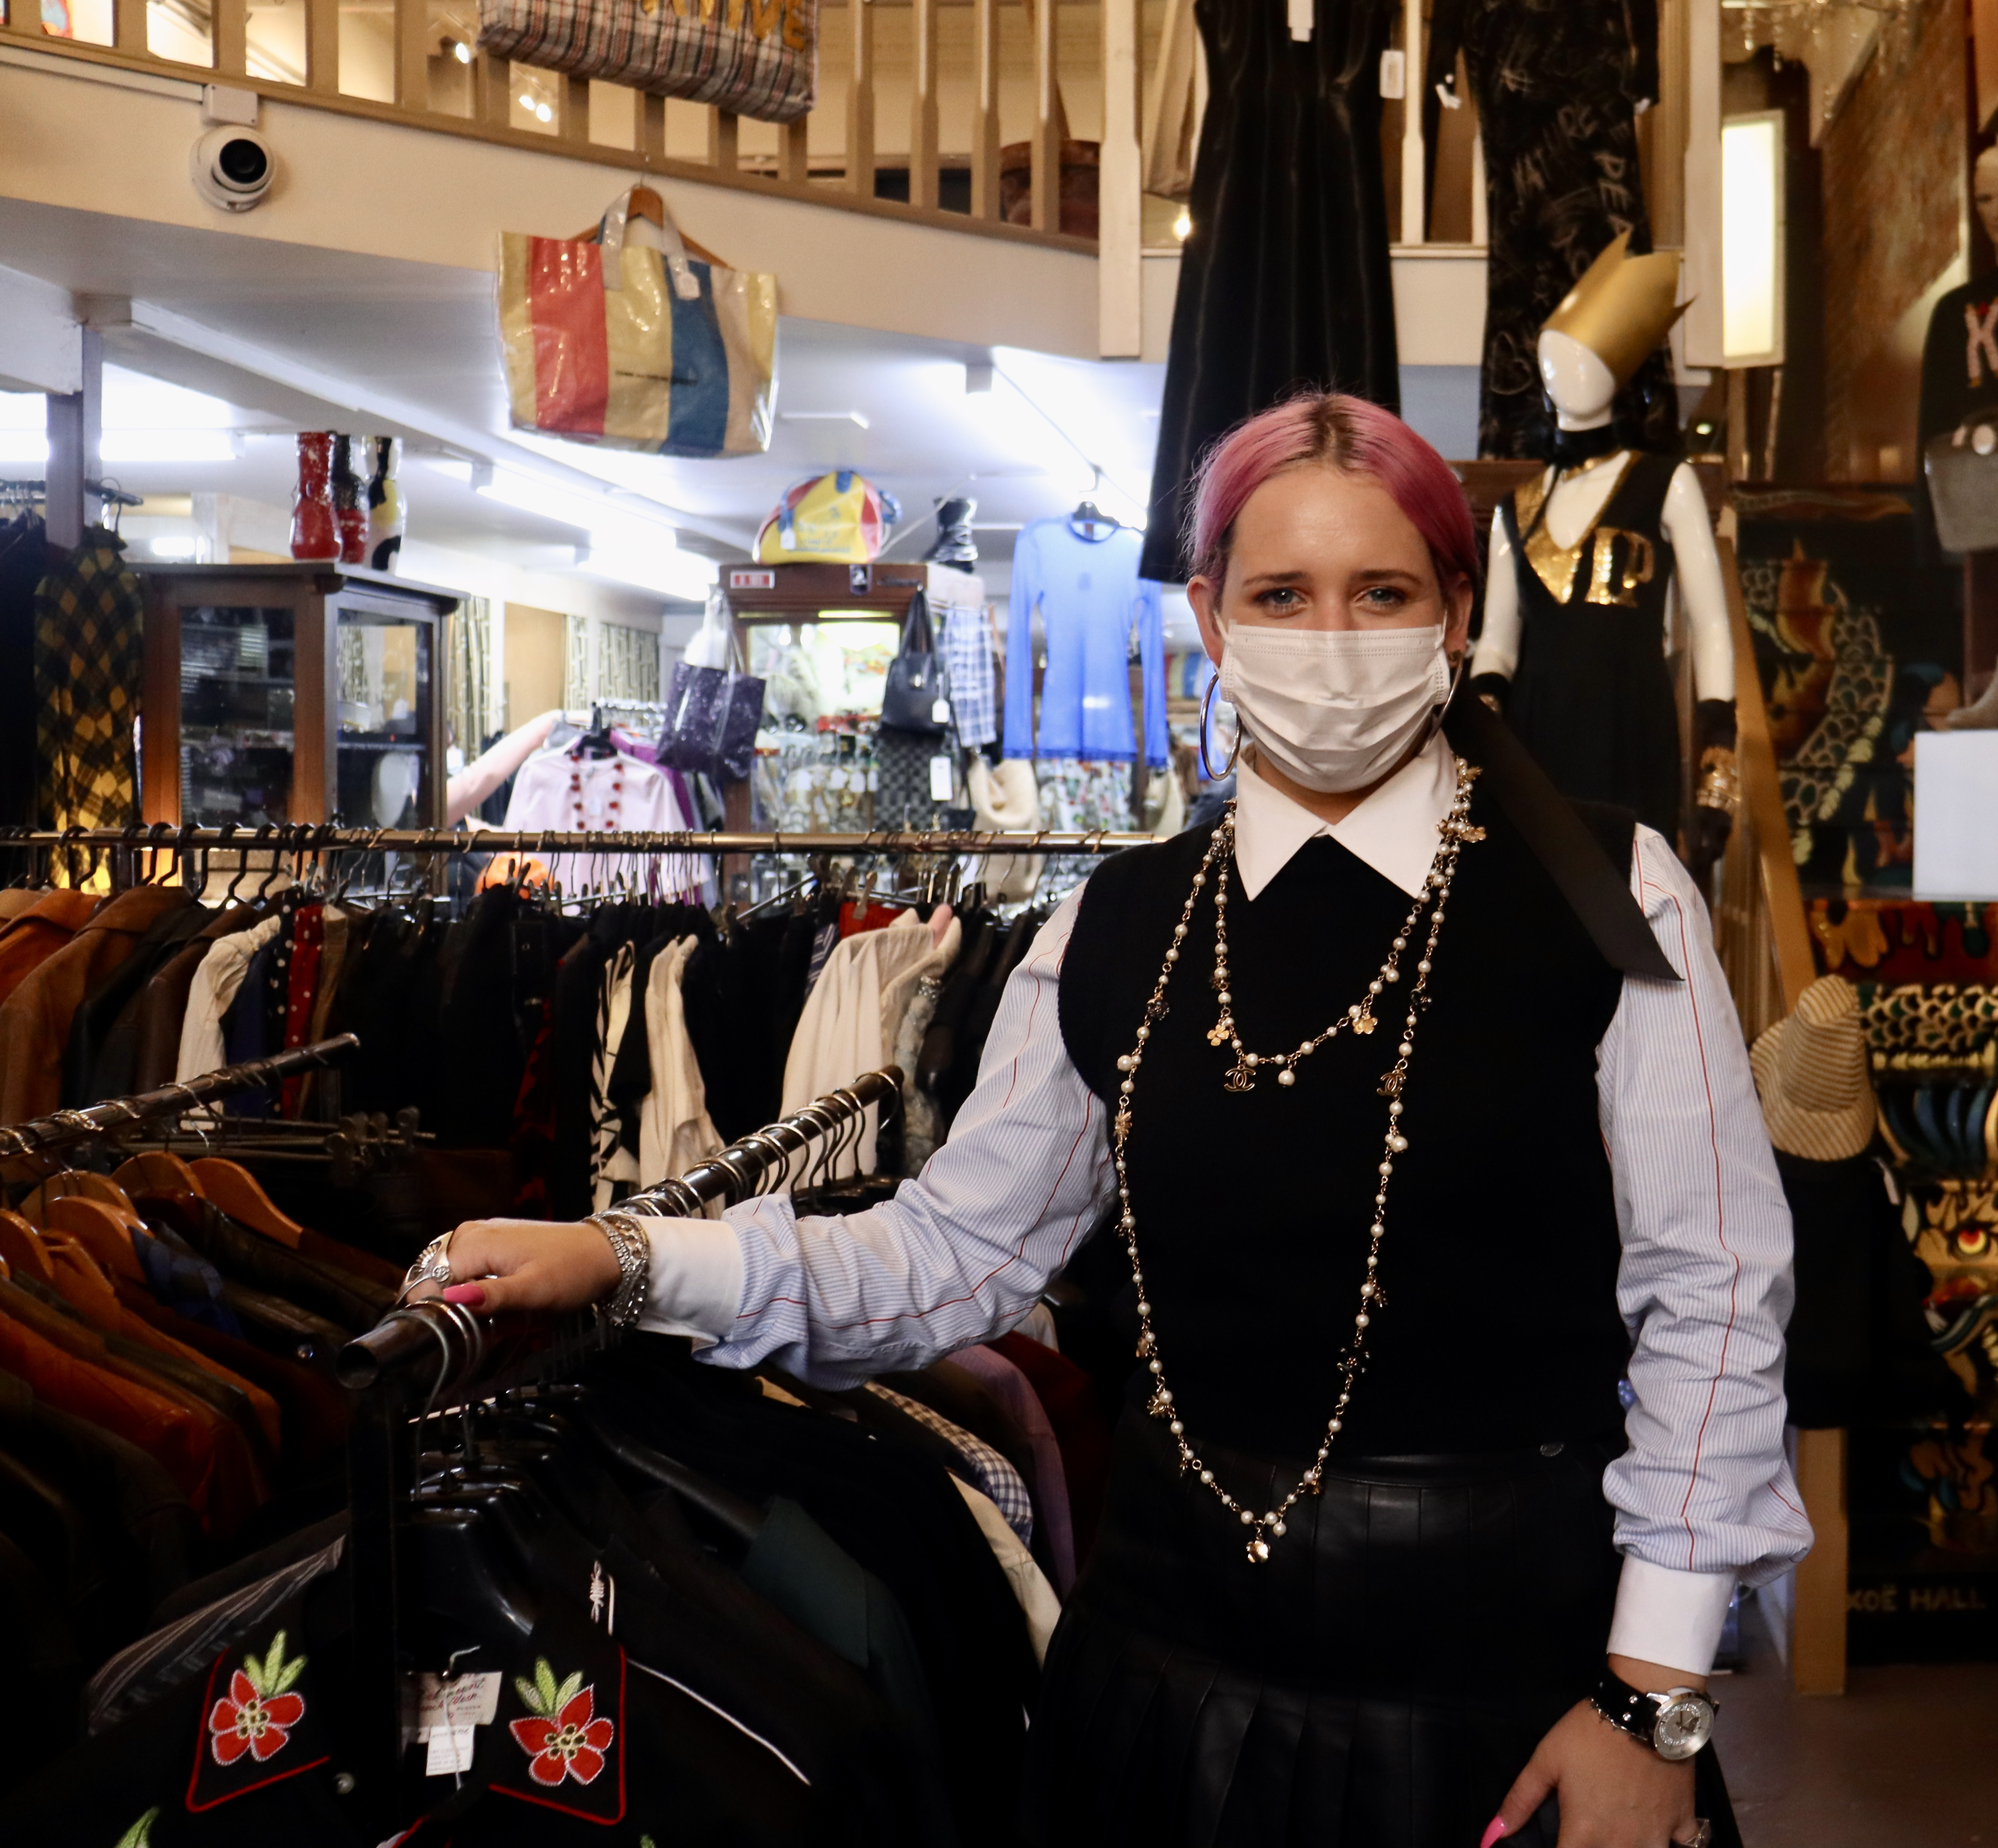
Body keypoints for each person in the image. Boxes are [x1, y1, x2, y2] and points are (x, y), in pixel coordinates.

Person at [422, 393, 1809, 1848]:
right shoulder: (1116, 925)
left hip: (1510, 1695)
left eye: (1382, 592)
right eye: (1283, 593)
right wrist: (629, 1258)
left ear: (1454, 613)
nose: (1332, 636)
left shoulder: (1608, 890)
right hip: (1168, 1701)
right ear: (1212, 618)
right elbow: (944, 1260)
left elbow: (1714, 1297)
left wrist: (1653, 1699)